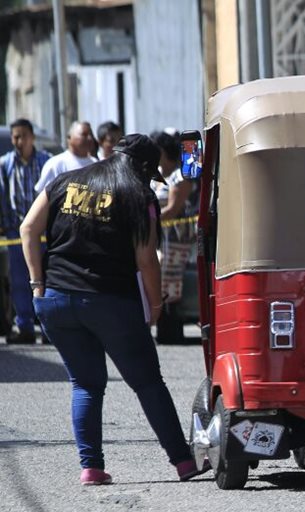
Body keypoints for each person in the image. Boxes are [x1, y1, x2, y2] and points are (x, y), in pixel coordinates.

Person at [18, 133, 200, 485]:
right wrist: (157, 304)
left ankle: (91, 467)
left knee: (85, 384)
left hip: (55, 300)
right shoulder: (138, 195)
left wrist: (37, 284)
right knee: (147, 382)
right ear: (144, 167)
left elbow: (28, 228)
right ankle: (183, 462)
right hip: (109, 300)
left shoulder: (63, 181)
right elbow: (147, 259)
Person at [1, 119, 53, 344]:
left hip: (42, 232)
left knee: (47, 278)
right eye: (15, 136)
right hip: (15, 233)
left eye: (22, 136)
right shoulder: (5, 163)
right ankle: (24, 326)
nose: (18, 141)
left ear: (32, 137)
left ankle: (48, 326)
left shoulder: (45, 161)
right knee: (20, 281)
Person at [150, 129, 198, 343]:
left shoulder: (181, 175)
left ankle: (171, 330)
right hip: (161, 237)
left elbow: (172, 209)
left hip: (175, 237)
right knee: (161, 280)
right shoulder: (159, 174)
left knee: (170, 282)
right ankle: (164, 328)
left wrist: (147, 221)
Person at [35, 121, 97, 192]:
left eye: (91, 135)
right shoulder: (56, 164)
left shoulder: (96, 164)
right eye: (84, 135)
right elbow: (44, 195)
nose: (89, 138)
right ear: (69, 137)